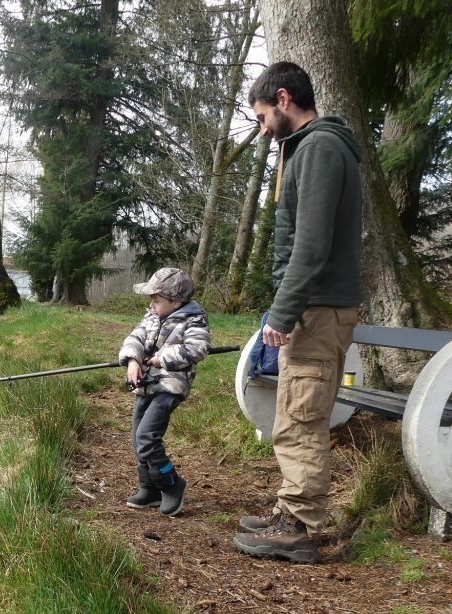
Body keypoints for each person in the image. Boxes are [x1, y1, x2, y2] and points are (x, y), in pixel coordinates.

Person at [231, 62, 363, 563]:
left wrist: (282, 315)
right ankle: (291, 508)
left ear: (283, 99)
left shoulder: (322, 148)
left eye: (263, 116)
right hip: (311, 307)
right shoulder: (308, 149)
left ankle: (301, 527)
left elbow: (310, 246)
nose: (263, 129)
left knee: (304, 417)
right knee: (292, 411)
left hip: (318, 308)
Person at [119, 267, 211, 517]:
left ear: (176, 301)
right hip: (147, 384)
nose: (152, 304)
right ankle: (148, 488)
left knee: (148, 436)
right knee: (138, 437)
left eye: (157, 299)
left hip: (171, 384)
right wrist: (133, 361)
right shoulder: (152, 315)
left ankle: (171, 484)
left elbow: (199, 348)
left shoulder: (193, 319)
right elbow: (135, 337)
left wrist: (164, 358)